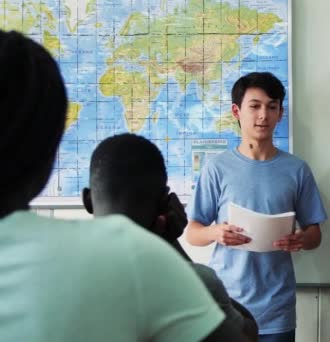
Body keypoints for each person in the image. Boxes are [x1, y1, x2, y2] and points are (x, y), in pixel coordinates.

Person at [0, 29, 239, 341]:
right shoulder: (130, 257)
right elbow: (242, 332)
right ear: (48, 149)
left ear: (89, 199)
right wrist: (168, 244)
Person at [185, 72, 328, 342]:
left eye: (271, 107)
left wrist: (301, 239)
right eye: (255, 106)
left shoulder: (297, 169)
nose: (263, 115)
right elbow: (193, 232)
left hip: (277, 308)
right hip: (226, 304)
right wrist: (216, 233)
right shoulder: (217, 168)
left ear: (280, 113)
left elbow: (315, 234)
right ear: (236, 111)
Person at [81, 133, 258, 341]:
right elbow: (248, 331)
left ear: (87, 200)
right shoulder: (193, 282)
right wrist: (169, 242)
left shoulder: (54, 273)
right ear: (164, 205)